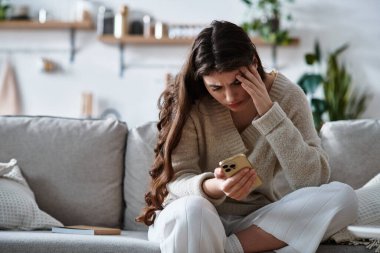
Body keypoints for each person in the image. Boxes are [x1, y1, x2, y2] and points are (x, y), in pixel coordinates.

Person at [136, 20, 358, 253]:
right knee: (194, 211)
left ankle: (227, 248)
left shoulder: (289, 96)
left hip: (255, 222)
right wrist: (217, 186)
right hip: (192, 216)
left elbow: (312, 180)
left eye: (236, 82)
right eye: (216, 88)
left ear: (253, 62)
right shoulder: (191, 101)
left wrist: (269, 112)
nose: (230, 96)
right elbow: (178, 180)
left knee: (343, 197)